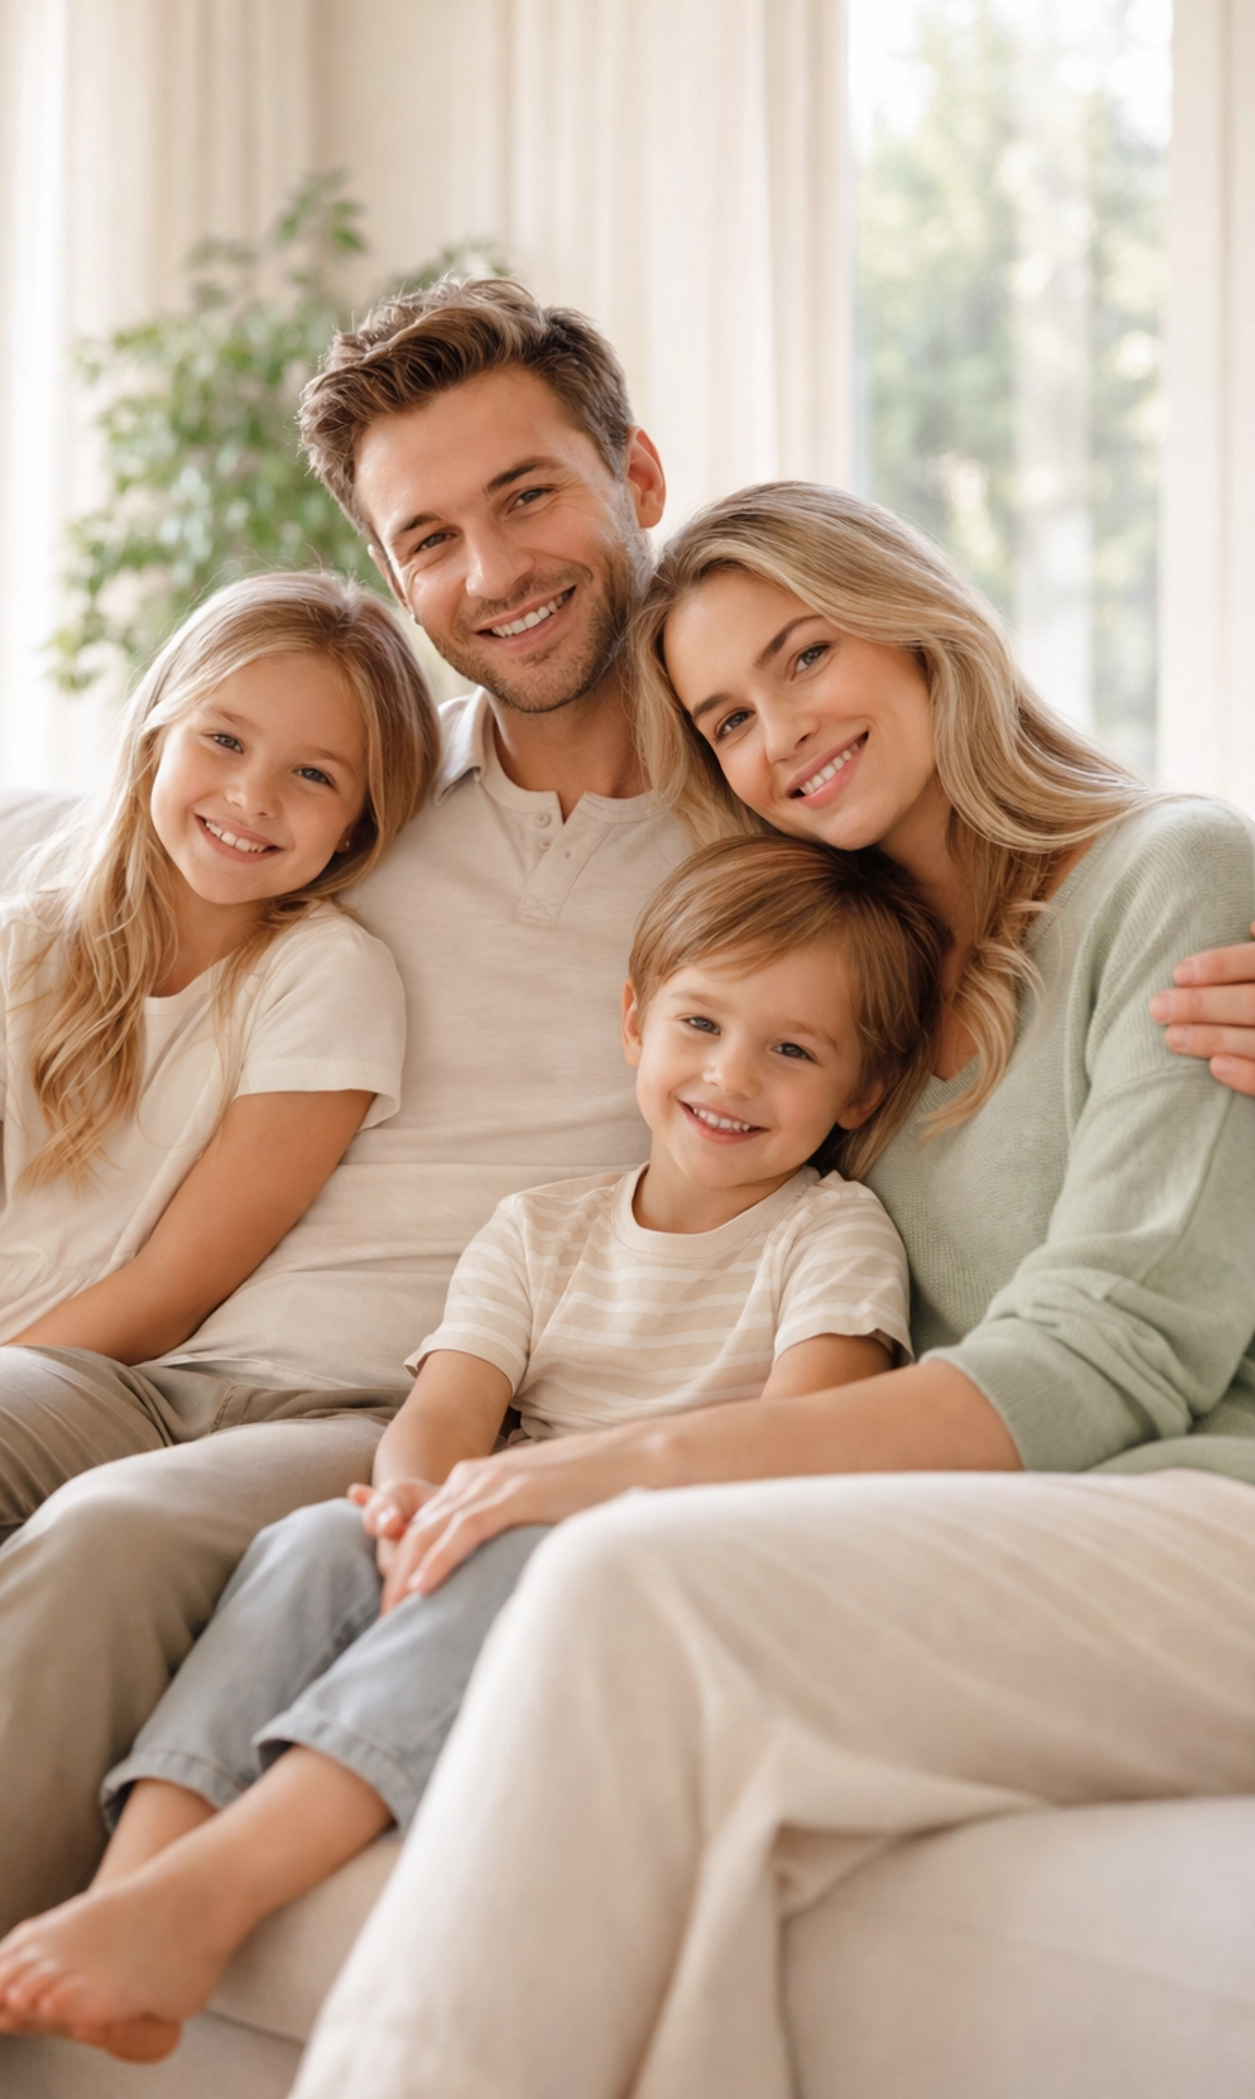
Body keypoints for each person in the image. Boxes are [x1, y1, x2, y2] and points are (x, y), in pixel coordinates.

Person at [0, 280, 1249, 2099]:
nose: (494, 571)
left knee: (110, 1544)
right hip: (167, 1351)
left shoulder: (777, 843)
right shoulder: (351, 785)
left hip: (436, 1387)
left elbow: (1073, 914)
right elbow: (93, 938)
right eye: (427, 538)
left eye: (529, 496)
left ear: (634, 479)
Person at [283, 482, 1255, 2099]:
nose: (780, 731)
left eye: (806, 657)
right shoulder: (854, 1000)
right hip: (968, 1522)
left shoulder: (1173, 869)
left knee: (625, 1580)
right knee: (697, 1821)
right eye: (729, 717)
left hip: (1199, 1505)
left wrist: (615, 1464)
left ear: (923, 630)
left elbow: (1116, 1346)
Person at [0, 830, 945, 2062]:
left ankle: (218, 1889)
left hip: (669, 1557)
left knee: (519, 1554)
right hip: (499, 1519)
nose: (729, 1076)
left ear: (861, 1093)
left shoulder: (831, 1235)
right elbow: (443, 1414)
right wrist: (409, 1509)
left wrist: (518, 1507)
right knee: (314, 1544)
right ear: (634, 1023)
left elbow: (802, 1440)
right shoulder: (542, 1227)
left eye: (792, 1051)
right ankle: (134, 1892)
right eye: (700, 1023)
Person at [0, 573, 431, 1424]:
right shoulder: (17, 947)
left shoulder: (328, 980)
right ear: (156, 738)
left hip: (5, 1394)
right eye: (223, 740)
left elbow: (171, 1290)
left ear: (359, 823)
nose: (253, 795)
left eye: (313, 773)